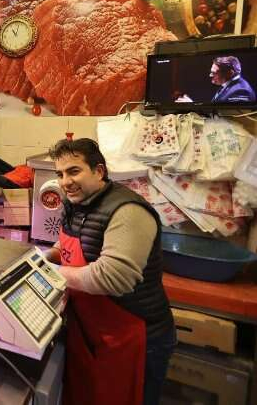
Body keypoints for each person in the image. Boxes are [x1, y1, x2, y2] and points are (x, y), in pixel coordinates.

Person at [45, 138, 175, 405]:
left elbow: (113, 277)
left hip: (134, 336)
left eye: (74, 171)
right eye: (60, 174)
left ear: (99, 171)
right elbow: (69, 243)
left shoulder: (127, 211)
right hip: (92, 330)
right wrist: (43, 257)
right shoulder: (75, 203)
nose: (65, 181)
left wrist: (50, 272)